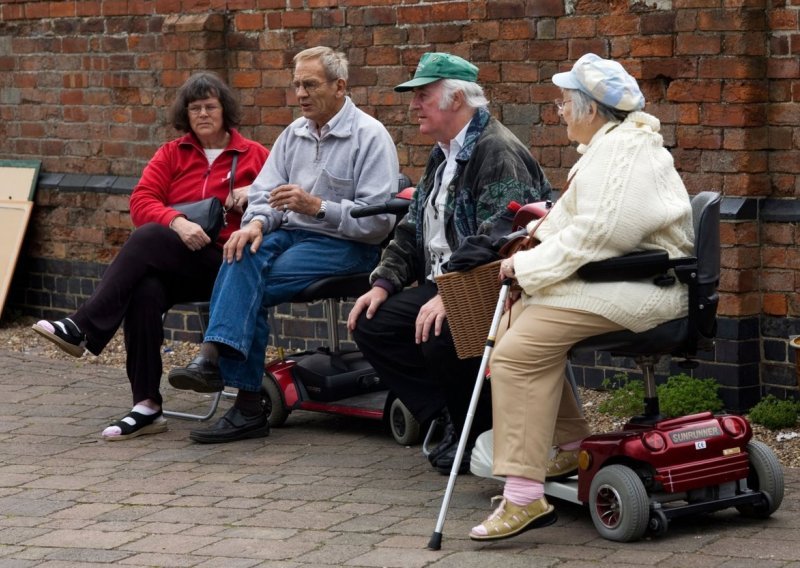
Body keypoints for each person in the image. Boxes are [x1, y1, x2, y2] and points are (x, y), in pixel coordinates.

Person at [468, 53, 695, 541]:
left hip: (651, 288)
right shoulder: (611, 147)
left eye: (565, 103)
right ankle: (570, 442)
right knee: (520, 322)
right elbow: (575, 221)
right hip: (624, 279)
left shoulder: (622, 154)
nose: (559, 111)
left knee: (516, 354)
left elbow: (596, 235)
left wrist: (525, 266)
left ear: (591, 109)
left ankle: (523, 497)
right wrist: (534, 235)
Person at [167, 47, 399, 444]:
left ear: (339, 86)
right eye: (296, 85)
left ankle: (237, 392)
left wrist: (318, 207)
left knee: (246, 287)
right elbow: (263, 194)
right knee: (240, 249)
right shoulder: (294, 134)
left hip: (346, 245)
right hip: (290, 236)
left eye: (310, 84)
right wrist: (256, 223)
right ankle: (233, 388)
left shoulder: (370, 136)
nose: (301, 94)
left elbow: (378, 222)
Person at [32, 71, 270, 440]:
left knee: (146, 238)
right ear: (185, 114)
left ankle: (84, 325)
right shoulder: (172, 154)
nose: (203, 114)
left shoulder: (255, 155)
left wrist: (252, 190)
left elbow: (284, 192)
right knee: (145, 288)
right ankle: (147, 405)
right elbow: (141, 200)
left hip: (228, 264)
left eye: (210, 106)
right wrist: (178, 222)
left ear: (225, 110)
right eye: (195, 108)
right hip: (180, 260)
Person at [346, 52, 552, 474]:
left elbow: (501, 238)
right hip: (447, 284)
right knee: (372, 323)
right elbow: (411, 227)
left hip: (494, 287)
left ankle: (473, 431)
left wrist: (447, 293)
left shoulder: (497, 151)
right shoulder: (443, 154)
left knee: (440, 331)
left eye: (423, 95)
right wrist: (383, 282)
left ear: (455, 99)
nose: (413, 105)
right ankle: (450, 414)